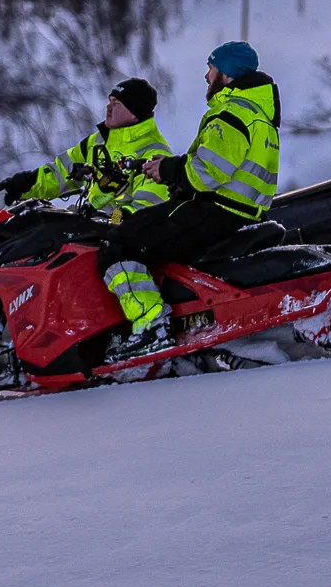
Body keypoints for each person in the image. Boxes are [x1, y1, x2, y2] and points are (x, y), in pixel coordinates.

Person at [98, 41, 282, 359]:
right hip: (234, 212)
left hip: (211, 212)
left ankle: (150, 323)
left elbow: (206, 172)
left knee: (117, 245)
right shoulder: (258, 115)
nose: (206, 77)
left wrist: (168, 170)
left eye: (210, 69)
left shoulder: (232, 112)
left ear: (226, 73)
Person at [0, 78, 173, 217]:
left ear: (135, 113)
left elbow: (148, 210)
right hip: (90, 230)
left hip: (126, 244)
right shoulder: (98, 141)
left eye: (116, 104)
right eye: (109, 102)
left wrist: (113, 221)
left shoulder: (155, 153)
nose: (108, 108)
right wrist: (21, 186)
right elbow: (60, 172)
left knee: (120, 267)